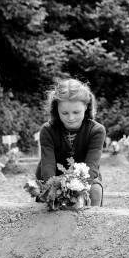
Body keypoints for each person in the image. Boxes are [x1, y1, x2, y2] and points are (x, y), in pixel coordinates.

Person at [36, 78, 106, 206]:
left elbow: (92, 166)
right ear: (56, 109)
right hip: (53, 178)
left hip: (84, 179)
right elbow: (47, 166)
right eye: (65, 113)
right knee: (46, 200)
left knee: (95, 191)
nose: (71, 118)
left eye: (76, 112)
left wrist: (76, 189)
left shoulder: (97, 131)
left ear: (86, 106)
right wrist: (54, 187)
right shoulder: (47, 130)